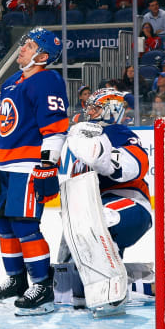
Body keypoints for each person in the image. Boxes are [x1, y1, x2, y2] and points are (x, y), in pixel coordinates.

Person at [0, 27, 68, 316]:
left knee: (24, 225)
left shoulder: (47, 81)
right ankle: (17, 281)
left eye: (29, 46)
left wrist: (47, 166)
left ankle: (42, 285)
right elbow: (8, 126)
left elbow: (55, 130)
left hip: (28, 166)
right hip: (6, 164)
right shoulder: (13, 81)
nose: (22, 49)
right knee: (3, 225)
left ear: (42, 56)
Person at [57, 88, 152, 313]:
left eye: (96, 107)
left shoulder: (117, 132)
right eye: (89, 106)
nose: (89, 111)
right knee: (73, 280)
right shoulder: (83, 141)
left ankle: (115, 291)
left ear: (112, 110)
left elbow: (136, 164)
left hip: (131, 204)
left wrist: (102, 155)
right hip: (100, 207)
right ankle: (143, 285)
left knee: (97, 220)